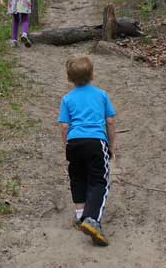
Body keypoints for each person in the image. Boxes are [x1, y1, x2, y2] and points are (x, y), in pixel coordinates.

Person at [58, 54, 116, 247]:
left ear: (69, 78)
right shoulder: (101, 95)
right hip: (96, 142)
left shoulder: (67, 99)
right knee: (99, 181)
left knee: (78, 178)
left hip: (74, 143)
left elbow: (64, 125)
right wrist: (111, 145)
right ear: (92, 74)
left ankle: (80, 216)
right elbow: (110, 121)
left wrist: (67, 144)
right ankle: (92, 219)